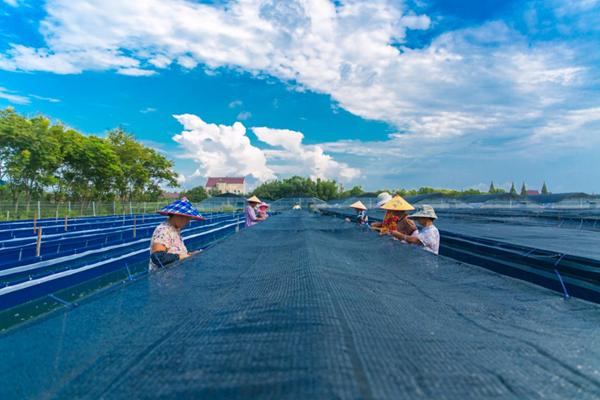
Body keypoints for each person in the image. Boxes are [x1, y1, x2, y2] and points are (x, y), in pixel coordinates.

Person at [149, 197, 204, 270]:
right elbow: (158, 257)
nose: (187, 221)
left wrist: (189, 255)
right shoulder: (163, 230)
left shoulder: (175, 230)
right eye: (186, 218)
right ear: (177, 215)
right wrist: (182, 256)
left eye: (189, 219)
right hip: (163, 279)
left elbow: (175, 251)